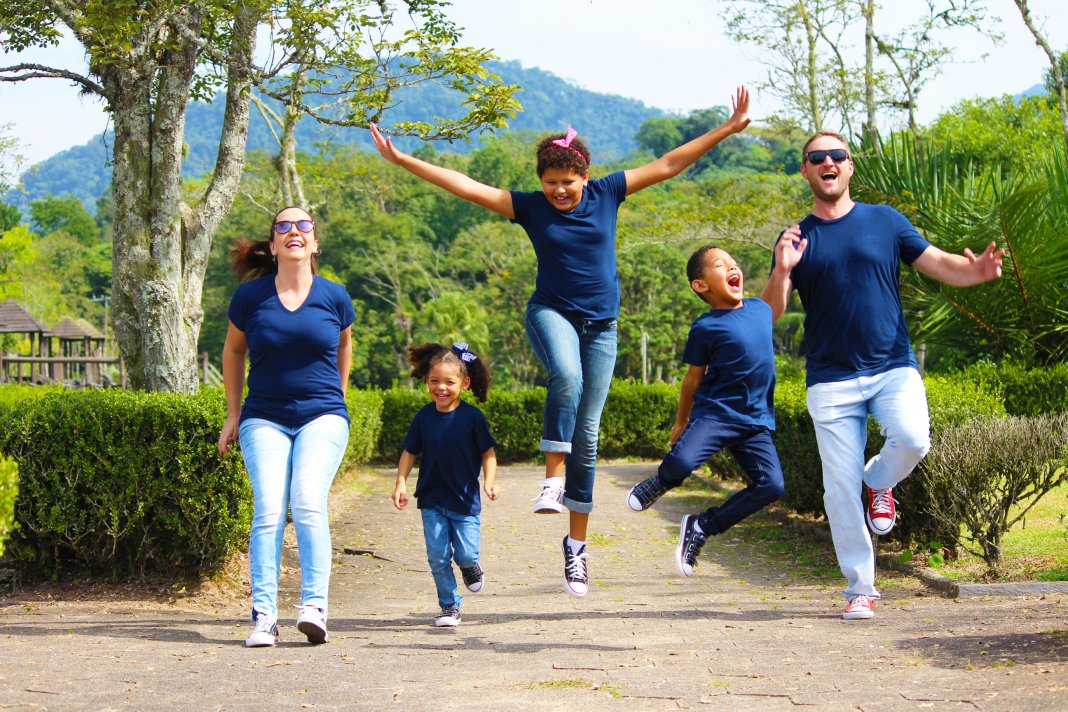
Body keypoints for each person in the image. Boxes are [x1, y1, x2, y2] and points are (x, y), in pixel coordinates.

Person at [370, 86, 751, 597]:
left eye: (568, 182)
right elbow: (464, 185)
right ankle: (552, 479)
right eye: (551, 184)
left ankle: (576, 548)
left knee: (589, 436)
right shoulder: (530, 207)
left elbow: (666, 164)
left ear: (585, 177)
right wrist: (402, 160)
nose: (560, 192)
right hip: (550, 312)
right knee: (566, 376)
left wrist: (726, 128)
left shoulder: (608, 192)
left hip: (602, 326)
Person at [761, 131, 1004, 620]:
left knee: (914, 439)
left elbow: (938, 263)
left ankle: (880, 479)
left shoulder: (884, 221)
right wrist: (782, 270)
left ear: (850, 167)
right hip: (830, 379)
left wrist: (974, 271)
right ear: (805, 171)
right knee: (837, 487)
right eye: (816, 157)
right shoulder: (795, 238)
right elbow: (769, 314)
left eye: (837, 155)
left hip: (893, 364)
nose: (828, 161)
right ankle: (860, 588)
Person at [217, 206, 354, 647]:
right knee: (270, 510)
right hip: (264, 417)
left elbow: (343, 344)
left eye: (303, 225)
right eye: (283, 226)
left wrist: (339, 399)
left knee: (308, 502)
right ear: (273, 244)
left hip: (323, 415)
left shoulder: (335, 296)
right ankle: (264, 616)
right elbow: (233, 352)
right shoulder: (250, 298)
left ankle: (314, 608)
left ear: (314, 243)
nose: (294, 231)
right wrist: (233, 413)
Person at [626, 246, 784, 577]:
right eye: (720, 264)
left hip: (755, 421)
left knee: (771, 485)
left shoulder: (758, 309)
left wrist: (783, 268)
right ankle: (659, 482)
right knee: (681, 463)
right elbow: (692, 379)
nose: (732, 266)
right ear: (701, 286)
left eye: (733, 263)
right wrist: (681, 421)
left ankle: (703, 526)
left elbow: (777, 304)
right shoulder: (705, 326)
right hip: (716, 414)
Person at [392, 342, 498, 627]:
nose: (441, 387)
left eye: (449, 382)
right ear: (426, 380)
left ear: (464, 383)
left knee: (465, 553)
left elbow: (488, 454)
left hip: (464, 503)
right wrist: (401, 482)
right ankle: (449, 606)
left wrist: (489, 482)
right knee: (437, 557)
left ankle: (470, 566)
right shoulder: (423, 417)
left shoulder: (473, 418)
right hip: (432, 501)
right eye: (434, 381)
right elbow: (409, 452)